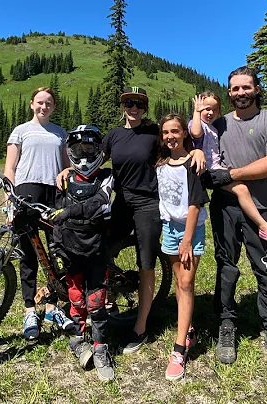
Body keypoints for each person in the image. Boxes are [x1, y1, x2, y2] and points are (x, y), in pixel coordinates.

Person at [56, 87, 205, 354]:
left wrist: (198, 152)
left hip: (148, 204)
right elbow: (92, 158)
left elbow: (179, 144)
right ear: (123, 106)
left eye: (138, 103)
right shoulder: (114, 135)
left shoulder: (152, 132)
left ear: (145, 107)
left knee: (146, 263)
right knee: (104, 251)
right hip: (121, 201)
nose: (133, 108)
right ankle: (100, 302)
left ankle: (140, 327)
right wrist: (69, 168)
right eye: (128, 103)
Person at [208, 66, 267, 365]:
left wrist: (229, 174)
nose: (240, 93)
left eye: (246, 87)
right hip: (223, 206)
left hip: (260, 207)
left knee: (265, 270)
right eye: (235, 89)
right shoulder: (219, 124)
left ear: (257, 89)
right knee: (226, 267)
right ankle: (226, 324)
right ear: (229, 92)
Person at [4, 87, 74, 341]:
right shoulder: (21, 131)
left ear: (54, 107)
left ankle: (52, 308)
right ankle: (29, 310)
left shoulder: (60, 133)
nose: (44, 107)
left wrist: (67, 177)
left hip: (54, 193)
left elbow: (67, 166)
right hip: (26, 191)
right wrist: (10, 198)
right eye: (40, 102)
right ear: (32, 104)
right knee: (28, 252)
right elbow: (10, 167)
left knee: (56, 251)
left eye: (49, 103)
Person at [48, 125, 115, 382]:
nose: (84, 155)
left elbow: (99, 201)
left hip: (97, 247)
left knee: (96, 301)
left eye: (89, 149)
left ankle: (100, 348)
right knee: (76, 297)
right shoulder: (65, 179)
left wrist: (67, 213)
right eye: (78, 150)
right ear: (70, 152)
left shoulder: (107, 176)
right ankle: (77, 337)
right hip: (71, 248)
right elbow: (56, 216)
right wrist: (57, 245)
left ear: (99, 150)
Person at [190, 92, 267, 244]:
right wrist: (196, 112)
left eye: (214, 110)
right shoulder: (198, 124)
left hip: (216, 168)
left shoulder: (213, 128)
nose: (210, 113)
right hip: (206, 171)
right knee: (241, 189)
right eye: (206, 109)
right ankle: (265, 227)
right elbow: (195, 133)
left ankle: (260, 225)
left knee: (241, 181)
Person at [155, 114, 209, 381]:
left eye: (175, 131)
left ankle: (179, 350)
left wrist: (187, 239)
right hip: (168, 228)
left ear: (184, 134)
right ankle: (188, 330)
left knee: (186, 283)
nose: (170, 136)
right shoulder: (161, 162)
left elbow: (195, 203)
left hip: (191, 229)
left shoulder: (193, 163)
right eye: (165, 132)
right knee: (178, 282)